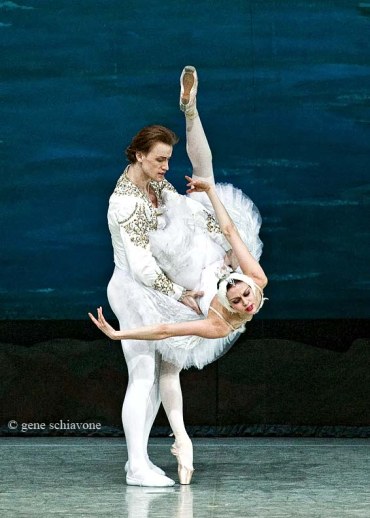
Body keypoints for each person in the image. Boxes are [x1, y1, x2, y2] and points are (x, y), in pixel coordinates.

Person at [90, 66, 267, 486]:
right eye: (160, 160)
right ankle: (137, 464)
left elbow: (194, 206)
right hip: (136, 289)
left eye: (168, 159)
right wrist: (182, 294)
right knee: (144, 374)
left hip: (172, 279)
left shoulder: (155, 186)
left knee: (205, 182)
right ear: (137, 155)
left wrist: (218, 238)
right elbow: (141, 268)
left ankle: (190, 111)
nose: (166, 167)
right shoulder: (125, 205)